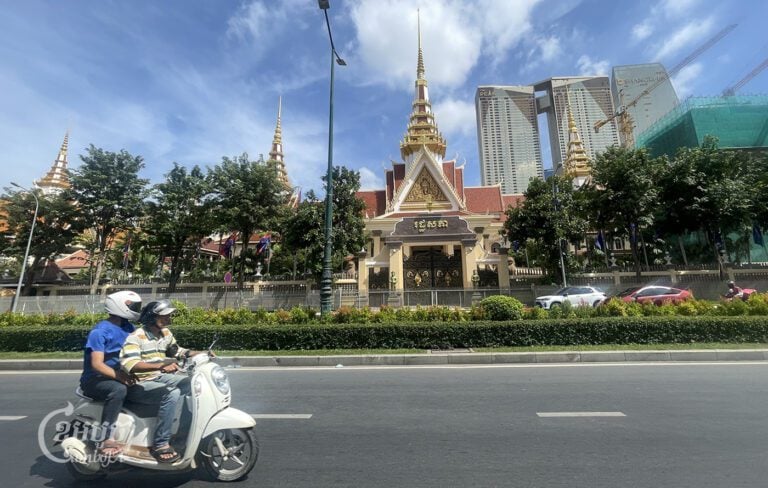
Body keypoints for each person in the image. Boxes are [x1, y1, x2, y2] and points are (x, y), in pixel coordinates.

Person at [119, 300, 203, 463]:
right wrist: (161, 367)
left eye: (168, 315)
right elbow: (131, 364)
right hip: (139, 383)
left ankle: (183, 434)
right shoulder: (136, 337)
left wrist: (202, 353)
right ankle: (161, 443)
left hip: (158, 376)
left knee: (191, 385)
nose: (168, 318)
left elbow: (178, 351)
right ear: (151, 317)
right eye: (163, 315)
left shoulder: (165, 334)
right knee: (172, 393)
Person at [79, 290, 142, 457]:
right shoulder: (99, 331)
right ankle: (107, 437)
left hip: (119, 375)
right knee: (118, 390)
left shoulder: (129, 328)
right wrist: (121, 377)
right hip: (95, 380)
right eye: (134, 306)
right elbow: (97, 365)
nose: (137, 309)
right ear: (120, 306)